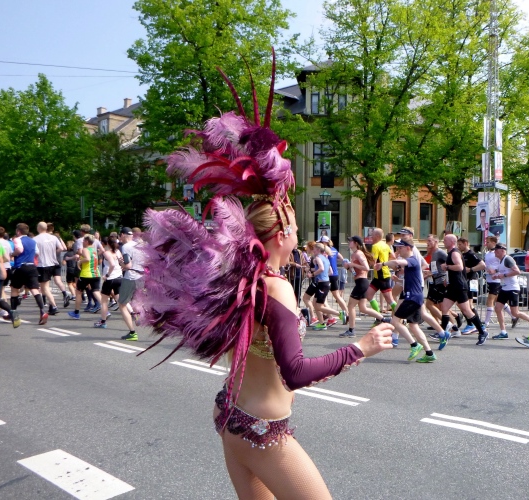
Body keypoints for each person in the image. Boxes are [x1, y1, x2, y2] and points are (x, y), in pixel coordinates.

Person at [138, 60, 394, 498]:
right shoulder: (275, 286)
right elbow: (294, 373)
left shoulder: (248, 278)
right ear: (281, 233)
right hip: (262, 430)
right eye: (292, 221)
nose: (298, 229)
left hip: (231, 412)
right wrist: (362, 347)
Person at [379, 239, 435, 362]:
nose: (398, 250)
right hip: (416, 296)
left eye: (400, 248)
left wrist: (382, 264)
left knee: (395, 321)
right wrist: (398, 280)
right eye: (397, 248)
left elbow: (396, 262)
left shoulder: (412, 260)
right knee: (413, 326)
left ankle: (414, 345)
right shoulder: (410, 263)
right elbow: (411, 280)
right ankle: (429, 353)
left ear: (408, 248)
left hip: (412, 297)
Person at [440, 234, 488, 345]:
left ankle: (482, 332)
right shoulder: (451, 253)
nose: (443, 242)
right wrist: (447, 277)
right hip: (453, 286)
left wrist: (447, 267)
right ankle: (442, 334)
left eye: (445, 240)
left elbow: (460, 267)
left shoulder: (455, 253)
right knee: (444, 308)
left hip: (459, 286)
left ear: (451, 242)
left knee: (467, 311)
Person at [340, 235, 386, 338]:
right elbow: (355, 271)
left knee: (351, 306)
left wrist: (353, 265)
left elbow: (366, 267)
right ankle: (384, 319)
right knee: (363, 308)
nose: (348, 243)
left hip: (362, 283)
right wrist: (348, 267)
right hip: (360, 282)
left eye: (350, 241)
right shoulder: (354, 254)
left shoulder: (359, 254)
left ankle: (351, 330)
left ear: (356, 243)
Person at [490, 244, 529, 339]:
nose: (495, 252)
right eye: (495, 250)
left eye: (497, 250)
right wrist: (496, 275)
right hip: (505, 288)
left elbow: (517, 271)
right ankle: (503, 332)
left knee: (515, 313)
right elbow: (504, 271)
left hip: (512, 288)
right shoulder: (501, 260)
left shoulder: (508, 259)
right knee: (497, 308)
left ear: (502, 251)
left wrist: (504, 275)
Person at [10, 223, 49, 325]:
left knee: (14, 289)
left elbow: (19, 249)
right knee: (34, 289)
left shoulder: (17, 239)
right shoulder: (32, 241)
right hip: (32, 266)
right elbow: (37, 253)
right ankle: (42, 310)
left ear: (18, 231)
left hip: (20, 266)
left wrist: (12, 254)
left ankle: (14, 313)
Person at [116, 227, 143, 340]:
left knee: (122, 304)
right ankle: (140, 316)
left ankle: (132, 333)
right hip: (141, 276)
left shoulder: (126, 247)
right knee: (137, 301)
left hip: (131, 277)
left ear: (122, 235)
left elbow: (128, 265)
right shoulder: (139, 245)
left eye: (119, 236)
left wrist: (121, 263)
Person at [67, 234, 102, 320]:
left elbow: (88, 258)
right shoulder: (94, 250)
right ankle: (106, 310)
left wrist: (79, 262)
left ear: (87, 241)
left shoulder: (85, 249)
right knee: (96, 291)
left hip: (86, 274)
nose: (82, 242)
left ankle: (76, 313)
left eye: (83, 241)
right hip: (96, 273)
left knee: (78, 292)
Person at [34, 221, 66, 316]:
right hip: (53, 263)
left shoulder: (35, 239)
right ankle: (51, 307)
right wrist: (53, 253)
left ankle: (54, 305)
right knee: (47, 286)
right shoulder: (54, 237)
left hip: (42, 264)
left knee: (44, 287)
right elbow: (61, 248)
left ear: (39, 228)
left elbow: (36, 252)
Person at [94, 235, 123, 329]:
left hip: (110, 279)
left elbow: (112, 264)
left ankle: (103, 322)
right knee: (120, 299)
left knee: (104, 302)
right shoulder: (118, 252)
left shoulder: (107, 253)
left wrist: (107, 275)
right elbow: (122, 262)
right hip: (119, 277)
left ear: (108, 244)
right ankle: (132, 313)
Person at [365, 228, 397, 312]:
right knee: (368, 295)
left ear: (377, 236)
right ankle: (378, 316)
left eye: (372, 235)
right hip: (378, 276)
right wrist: (386, 262)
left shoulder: (375, 246)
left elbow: (373, 262)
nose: (371, 237)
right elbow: (393, 256)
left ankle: (402, 315)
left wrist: (365, 259)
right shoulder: (385, 245)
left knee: (389, 299)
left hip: (382, 275)